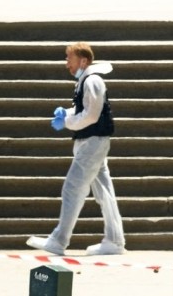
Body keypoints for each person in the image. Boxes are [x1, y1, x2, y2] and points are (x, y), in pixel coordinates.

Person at [27, 42, 126, 256]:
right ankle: (115, 240)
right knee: (104, 192)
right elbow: (85, 109)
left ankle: (59, 240)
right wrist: (68, 113)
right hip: (93, 141)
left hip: (93, 141)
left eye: (69, 58)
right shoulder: (87, 81)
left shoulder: (92, 80)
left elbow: (92, 115)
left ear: (83, 60)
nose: (66, 64)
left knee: (72, 188)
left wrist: (68, 121)